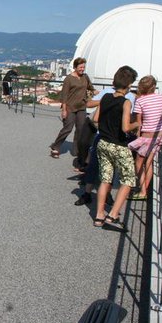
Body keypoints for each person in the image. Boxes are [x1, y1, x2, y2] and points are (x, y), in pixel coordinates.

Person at [74, 66, 138, 206]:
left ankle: (94, 196)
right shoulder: (127, 99)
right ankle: (100, 200)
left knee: (99, 168)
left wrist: (106, 102)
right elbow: (127, 124)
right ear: (129, 84)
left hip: (102, 136)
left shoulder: (109, 95)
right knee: (105, 171)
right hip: (116, 139)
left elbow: (95, 116)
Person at [92, 67, 140, 231]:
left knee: (105, 179)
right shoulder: (125, 102)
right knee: (128, 179)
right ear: (129, 85)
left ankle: (99, 215)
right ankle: (112, 215)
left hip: (103, 142)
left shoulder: (105, 97)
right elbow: (126, 128)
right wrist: (138, 123)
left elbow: (95, 118)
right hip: (118, 145)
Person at [128, 75, 162, 201]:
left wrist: (137, 133)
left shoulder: (140, 101)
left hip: (146, 136)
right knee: (149, 162)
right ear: (154, 87)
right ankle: (145, 189)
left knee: (138, 163)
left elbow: (139, 122)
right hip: (158, 136)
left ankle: (142, 191)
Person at [49, 57, 95, 158]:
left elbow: (91, 88)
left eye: (83, 67)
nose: (82, 69)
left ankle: (77, 150)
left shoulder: (85, 77)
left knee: (80, 129)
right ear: (75, 67)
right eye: (80, 67)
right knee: (67, 128)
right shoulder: (68, 79)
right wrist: (64, 110)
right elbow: (64, 96)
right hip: (70, 107)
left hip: (81, 107)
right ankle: (55, 147)